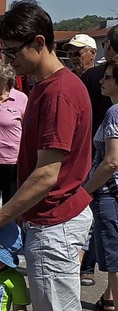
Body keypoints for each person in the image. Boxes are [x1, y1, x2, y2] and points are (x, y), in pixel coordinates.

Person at [0, 2, 94, 310]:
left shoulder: (58, 93)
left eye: (11, 52)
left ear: (39, 42)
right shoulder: (47, 86)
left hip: (55, 224)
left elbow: (46, 174)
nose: (6, 60)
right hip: (55, 220)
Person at [79, 25, 118, 288]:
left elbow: (112, 160)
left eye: (106, 77)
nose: (101, 81)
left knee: (114, 263)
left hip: (110, 191)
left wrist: (86, 190)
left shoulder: (114, 113)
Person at [0, 60, 28, 218]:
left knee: (12, 207)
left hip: (12, 163)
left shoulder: (21, 99)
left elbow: (28, 130)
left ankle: (13, 240)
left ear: (5, 78)